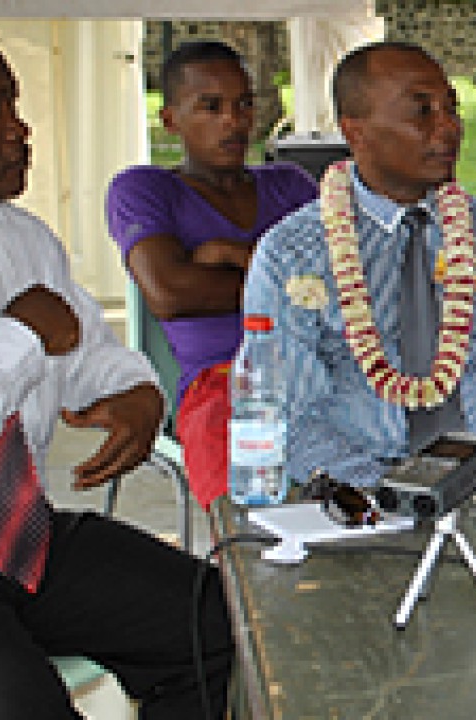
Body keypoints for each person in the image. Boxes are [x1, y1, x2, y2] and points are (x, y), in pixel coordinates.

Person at [0, 48, 233, 719]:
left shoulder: (23, 238)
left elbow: (86, 349)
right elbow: (39, 336)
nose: (20, 129)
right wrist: (19, 334)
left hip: (21, 540)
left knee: (218, 626)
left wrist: (136, 392)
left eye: (16, 103)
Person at [244, 41, 476, 489]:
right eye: (422, 111)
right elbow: (289, 413)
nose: (449, 127)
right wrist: (390, 496)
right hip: (356, 491)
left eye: (451, 108)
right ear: (355, 131)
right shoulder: (293, 253)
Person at [106, 40, 317, 508]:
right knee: (253, 533)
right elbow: (171, 294)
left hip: (319, 373)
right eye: (211, 107)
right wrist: (287, 281)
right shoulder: (145, 190)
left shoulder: (290, 185)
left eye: (244, 104)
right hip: (226, 388)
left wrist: (227, 254)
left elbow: (340, 283)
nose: (234, 121)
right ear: (170, 120)